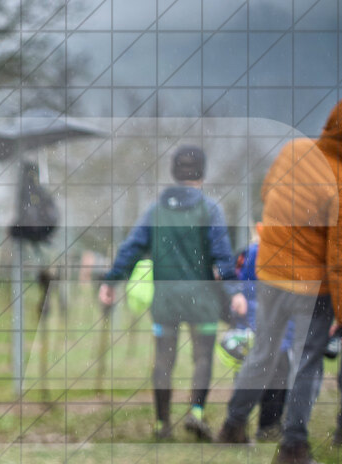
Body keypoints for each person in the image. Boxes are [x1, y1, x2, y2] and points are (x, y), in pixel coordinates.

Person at [216, 98, 342, 464]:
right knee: (306, 364)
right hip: (312, 289)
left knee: (263, 352)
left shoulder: (293, 151)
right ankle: (293, 445)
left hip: (271, 275)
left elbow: (266, 195)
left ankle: (232, 425)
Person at [99, 145, 246, 441]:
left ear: (173, 172)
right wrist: (234, 292)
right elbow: (222, 256)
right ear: (201, 174)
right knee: (202, 357)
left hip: (165, 301)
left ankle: (161, 424)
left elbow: (131, 248)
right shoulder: (210, 209)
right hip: (201, 300)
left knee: (163, 360)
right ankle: (196, 413)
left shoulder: (156, 210)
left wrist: (111, 280)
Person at [231, 234, 294, 441]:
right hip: (263, 322)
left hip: (270, 323)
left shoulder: (260, 250)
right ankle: (254, 425)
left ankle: (262, 425)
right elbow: (246, 288)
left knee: (274, 371)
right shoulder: (257, 251)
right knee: (269, 371)